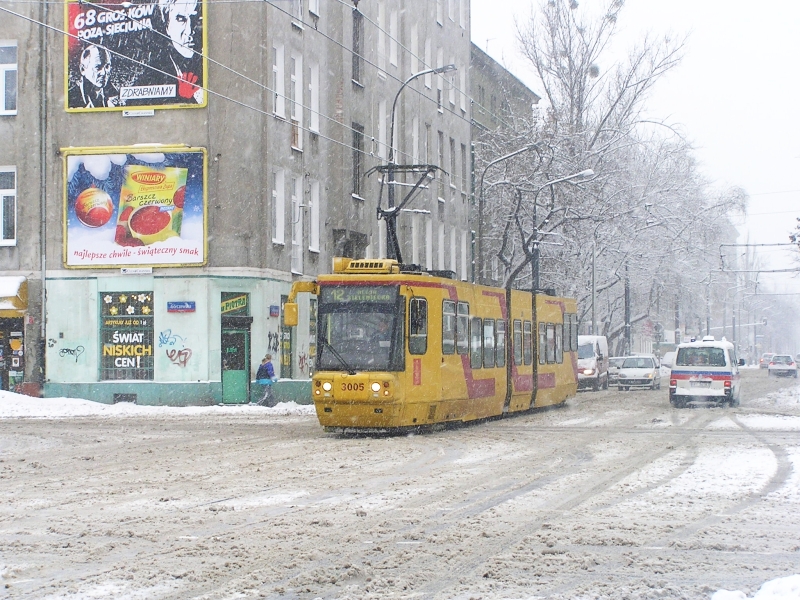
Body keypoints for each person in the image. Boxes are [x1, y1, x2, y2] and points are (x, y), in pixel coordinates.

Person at [68, 44, 120, 108]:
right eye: (98, 68)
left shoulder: (116, 96)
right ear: (83, 69)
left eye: (107, 66)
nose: (103, 73)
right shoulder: (70, 98)